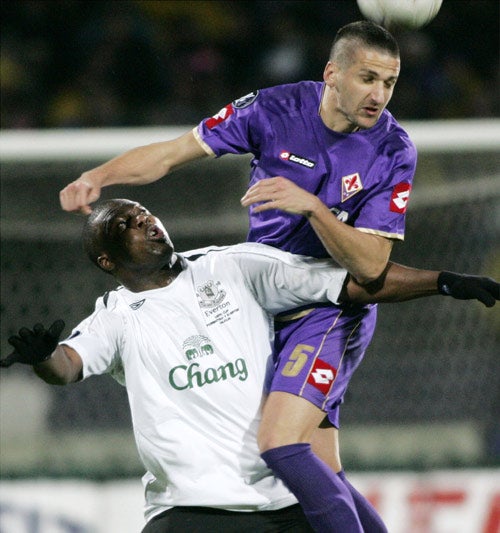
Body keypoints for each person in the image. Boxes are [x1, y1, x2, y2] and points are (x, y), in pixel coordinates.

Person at [58, 21, 497, 532]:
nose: (379, 95)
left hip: (330, 307)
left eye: (389, 83)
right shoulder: (272, 109)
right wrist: (98, 176)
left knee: (280, 445)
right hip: (258, 304)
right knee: (322, 469)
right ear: (332, 73)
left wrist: (312, 208)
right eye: (367, 78)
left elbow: (372, 266)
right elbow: (172, 153)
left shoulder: (393, 149)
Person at [2, 198, 498, 533]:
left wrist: (446, 281)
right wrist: (43, 356)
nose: (145, 222)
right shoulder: (115, 315)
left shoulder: (232, 265)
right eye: (126, 225)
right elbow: (68, 365)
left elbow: (351, 283)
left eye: (145, 213)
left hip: (283, 501)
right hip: (191, 511)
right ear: (107, 260)